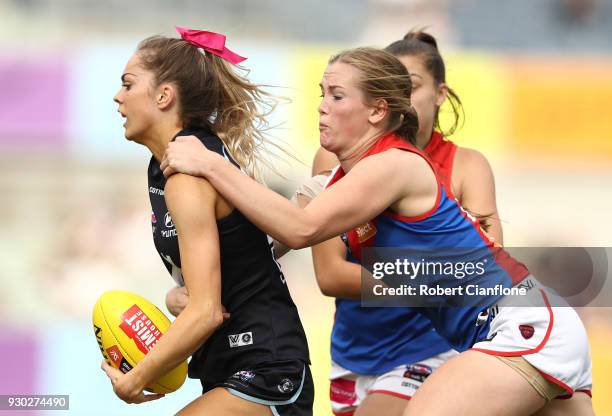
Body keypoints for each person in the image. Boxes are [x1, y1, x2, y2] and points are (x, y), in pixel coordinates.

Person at [160, 46, 593, 415]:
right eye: (321, 94)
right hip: (517, 329)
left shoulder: (395, 165)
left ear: (377, 111)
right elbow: (261, 249)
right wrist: (198, 291)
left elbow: (299, 228)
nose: (322, 105)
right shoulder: (335, 182)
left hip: (521, 325)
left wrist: (211, 164)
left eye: (337, 95)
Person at [102, 26, 313, 416]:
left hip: (267, 366)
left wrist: (136, 378)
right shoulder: (168, 165)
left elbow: (206, 312)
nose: (118, 97)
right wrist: (176, 296)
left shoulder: (189, 174)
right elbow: (209, 290)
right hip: (231, 366)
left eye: (128, 85)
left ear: (165, 95)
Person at [291, 29, 503, 416]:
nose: (402, 97)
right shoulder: (333, 159)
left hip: (431, 347)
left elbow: (482, 268)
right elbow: (330, 275)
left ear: (440, 94)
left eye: (412, 85)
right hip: (354, 350)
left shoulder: (466, 165)